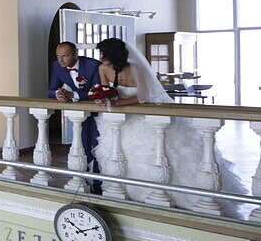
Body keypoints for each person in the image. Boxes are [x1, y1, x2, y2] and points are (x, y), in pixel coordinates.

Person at [90, 37, 245, 215]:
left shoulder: (135, 68)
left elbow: (145, 95)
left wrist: (120, 103)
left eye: (103, 53)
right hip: (118, 118)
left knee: (154, 152)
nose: (100, 56)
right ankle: (131, 191)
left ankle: (173, 193)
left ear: (113, 53)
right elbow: (105, 90)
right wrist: (103, 99)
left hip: (140, 113)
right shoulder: (102, 68)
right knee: (120, 153)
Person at [47, 41, 102, 189]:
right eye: (58, 56)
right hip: (80, 114)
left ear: (76, 54)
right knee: (82, 145)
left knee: (99, 146)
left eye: (65, 56)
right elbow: (50, 90)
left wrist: (73, 94)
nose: (61, 60)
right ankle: (84, 179)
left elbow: (99, 93)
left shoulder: (93, 65)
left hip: (100, 112)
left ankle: (99, 182)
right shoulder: (57, 66)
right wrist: (59, 94)